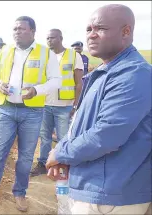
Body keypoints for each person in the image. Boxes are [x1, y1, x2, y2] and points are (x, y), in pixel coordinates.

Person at [46, 4, 151, 214]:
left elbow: (107, 134)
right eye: (88, 29)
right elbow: (81, 124)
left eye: (100, 29)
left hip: (109, 195)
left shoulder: (133, 74)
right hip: (94, 186)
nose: (91, 35)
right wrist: (66, 156)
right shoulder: (105, 71)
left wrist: (61, 152)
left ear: (126, 31)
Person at [0, 16, 61, 214]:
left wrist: (37, 90)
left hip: (32, 112)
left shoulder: (45, 53)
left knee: (25, 156)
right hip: (6, 109)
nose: (17, 32)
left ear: (33, 31)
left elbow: (57, 80)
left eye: (22, 29)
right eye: (15, 28)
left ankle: (20, 192)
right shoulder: (5, 51)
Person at [30, 29, 84, 177]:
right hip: (45, 104)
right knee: (45, 137)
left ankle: (64, 165)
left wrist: (75, 104)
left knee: (63, 137)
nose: (49, 41)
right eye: (47, 38)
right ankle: (43, 164)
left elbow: (79, 83)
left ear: (60, 38)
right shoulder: (45, 55)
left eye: (52, 38)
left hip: (65, 106)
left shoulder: (74, 56)